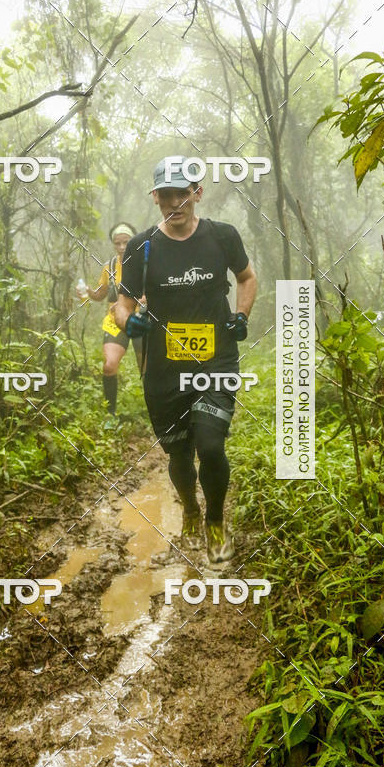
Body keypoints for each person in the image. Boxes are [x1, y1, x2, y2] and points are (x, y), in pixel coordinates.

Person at [115, 156, 257, 563]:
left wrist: (241, 316)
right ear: (156, 198)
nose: (175, 203)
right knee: (179, 453)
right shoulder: (142, 246)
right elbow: (122, 303)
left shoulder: (222, 236)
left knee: (211, 445)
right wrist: (130, 325)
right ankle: (190, 511)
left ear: (197, 193)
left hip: (216, 361)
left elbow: (247, 278)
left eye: (183, 193)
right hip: (164, 367)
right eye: (166, 195)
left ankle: (215, 520)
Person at [75, 223, 143, 418]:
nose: (122, 247)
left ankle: (155, 411)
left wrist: (136, 301)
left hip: (140, 318)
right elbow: (101, 294)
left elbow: (155, 292)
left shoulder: (144, 264)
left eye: (126, 242)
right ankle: (110, 413)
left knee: (145, 370)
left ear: (133, 242)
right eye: (118, 243)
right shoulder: (110, 266)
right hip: (114, 321)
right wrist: (87, 291)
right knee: (109, 365)